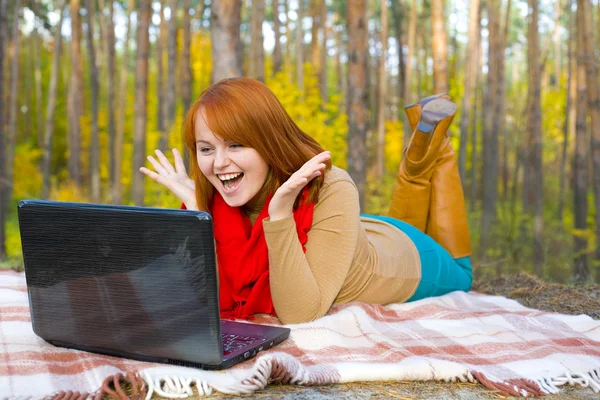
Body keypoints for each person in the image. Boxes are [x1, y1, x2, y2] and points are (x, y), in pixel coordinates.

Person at [139, 77, 472, 325]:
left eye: (236, 145)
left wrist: (280, 214)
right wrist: (199, 217)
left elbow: (299, 313)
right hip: (354, 233)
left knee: (464, 271)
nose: (219, 163)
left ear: (268, 140)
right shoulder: (215, 195)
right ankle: (422, 149)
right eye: (206, 149)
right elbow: (208, 294)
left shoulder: (331, 185)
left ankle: (431, 145)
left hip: (407, 257)